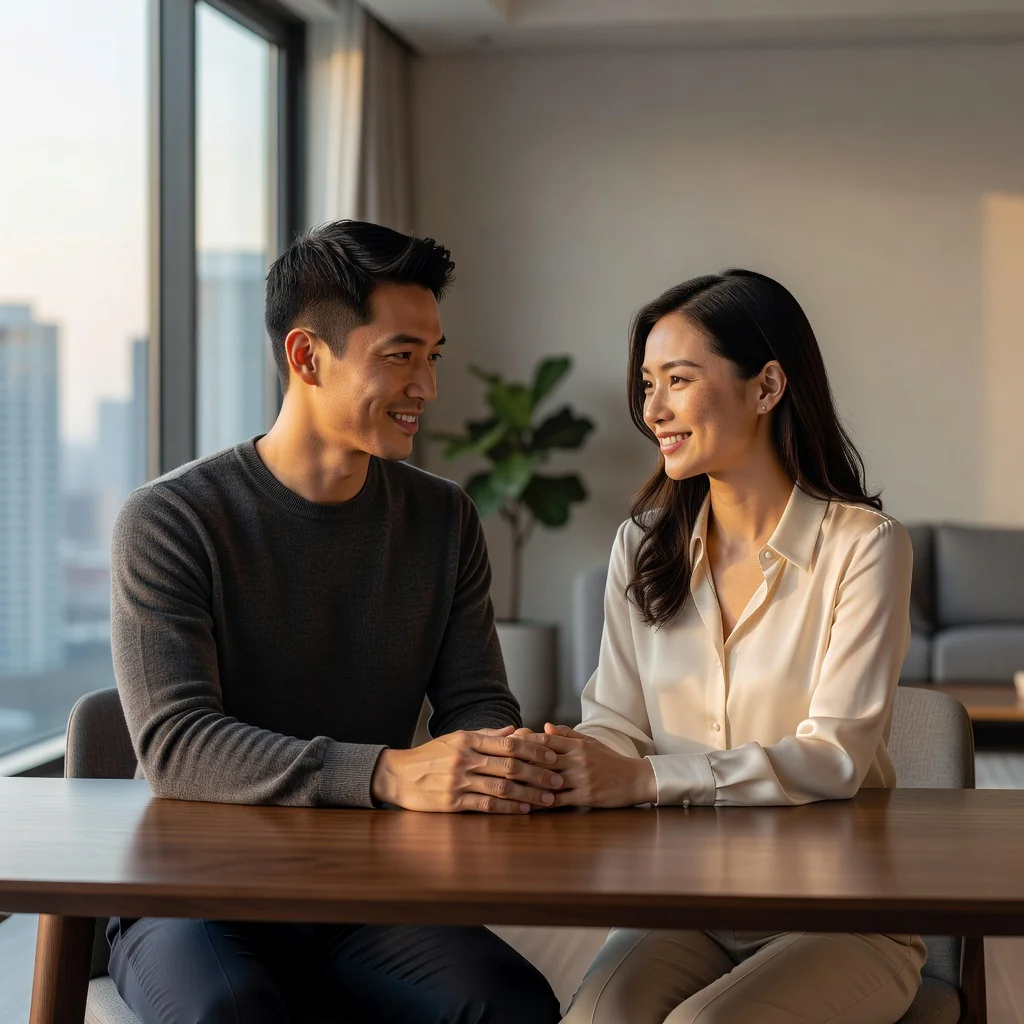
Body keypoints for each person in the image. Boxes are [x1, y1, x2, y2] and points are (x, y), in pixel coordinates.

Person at [107, 220, 563, 1023]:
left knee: (510, 1005)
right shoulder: (170, 519)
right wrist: (387, 772)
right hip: (196, 891)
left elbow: (480, 704)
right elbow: (176, 745)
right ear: (306, 356)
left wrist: (498, 760)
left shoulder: (445, 520)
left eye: (433, 357)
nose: (426, 386)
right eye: (399, 356)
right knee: (234, 1014)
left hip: (365, 893)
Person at [534, 270, 926, 1023]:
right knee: (593, 1020)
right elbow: (614, 723)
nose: (653, 410)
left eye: (678, 379)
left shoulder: (865, 547)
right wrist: (567, 764)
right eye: (647, 384)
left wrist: (645, 783)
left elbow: (835, 756)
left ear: (768, 385)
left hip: (843, 915)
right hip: (684, 904)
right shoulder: (641, 547)